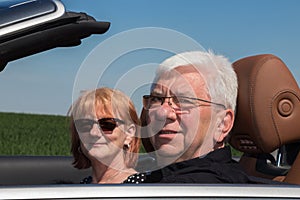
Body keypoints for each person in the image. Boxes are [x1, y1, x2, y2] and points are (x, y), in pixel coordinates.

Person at [124, 50, 255, 184]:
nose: (162, 113)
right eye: (156, 99)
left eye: (183, 101)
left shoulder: (201, 189)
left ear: (222, 123)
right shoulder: (152, 178)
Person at [69, 87, 141, 184]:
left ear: (129, 133)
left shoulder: (143, 189)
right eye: (85, 125)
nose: (94, 133)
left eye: (107, 124)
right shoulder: (77, 190)